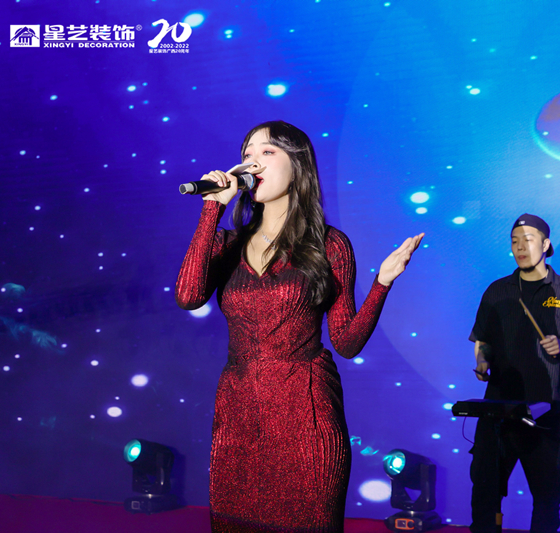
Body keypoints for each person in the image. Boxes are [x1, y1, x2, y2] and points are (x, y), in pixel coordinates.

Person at [175, 120, 423, 533]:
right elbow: (188, 296)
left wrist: (381, 284)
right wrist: (211, 209)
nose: (253, 162)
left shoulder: (330, 245)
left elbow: (346, 342)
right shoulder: (226, 244)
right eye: (247, 154)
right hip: (239, 417)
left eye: (267, 152)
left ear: (298, 165)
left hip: (305, 417)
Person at [468, 214, 560, 533]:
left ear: (546, 244)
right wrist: (482, 360)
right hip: (499, 413)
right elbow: (482, 339)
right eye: (514, 241)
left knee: (547, 497)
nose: (520, 247)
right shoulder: (497, 291)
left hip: (548, 414)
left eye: (528, 240)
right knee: (485, 493)